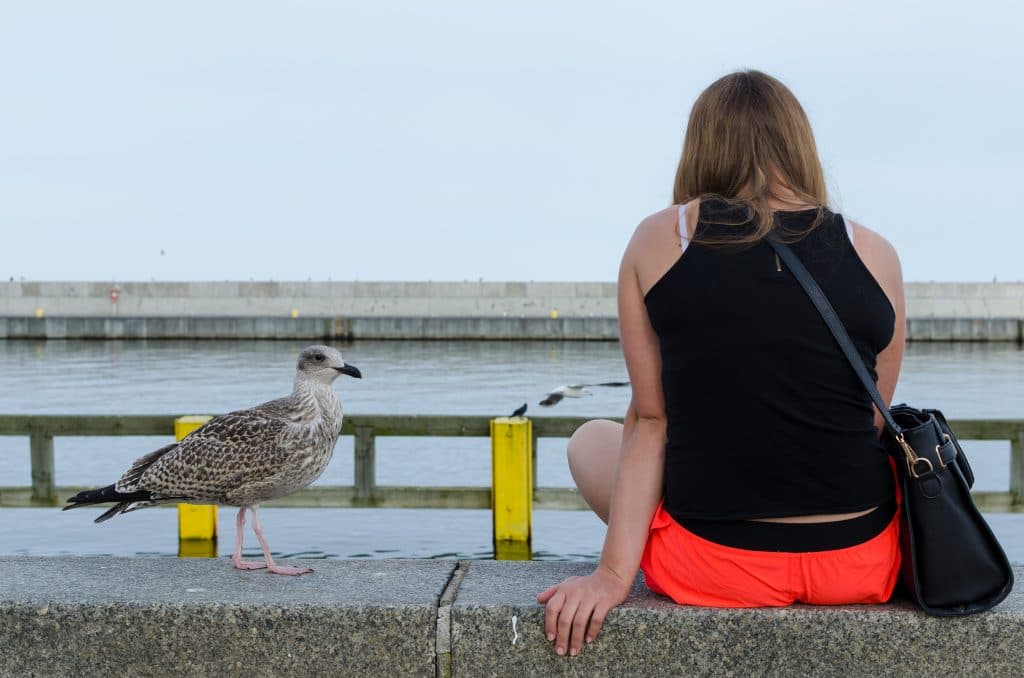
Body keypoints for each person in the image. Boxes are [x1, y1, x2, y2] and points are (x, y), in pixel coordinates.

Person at [537, 70, 906, 657]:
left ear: (701, 147)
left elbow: (651, 421)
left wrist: (610, 578)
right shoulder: (875, 251)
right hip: (860, 564)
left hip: (718, 568)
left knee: (589, 439)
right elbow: (872, 419)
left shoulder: (663, 239)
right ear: (799, 145)